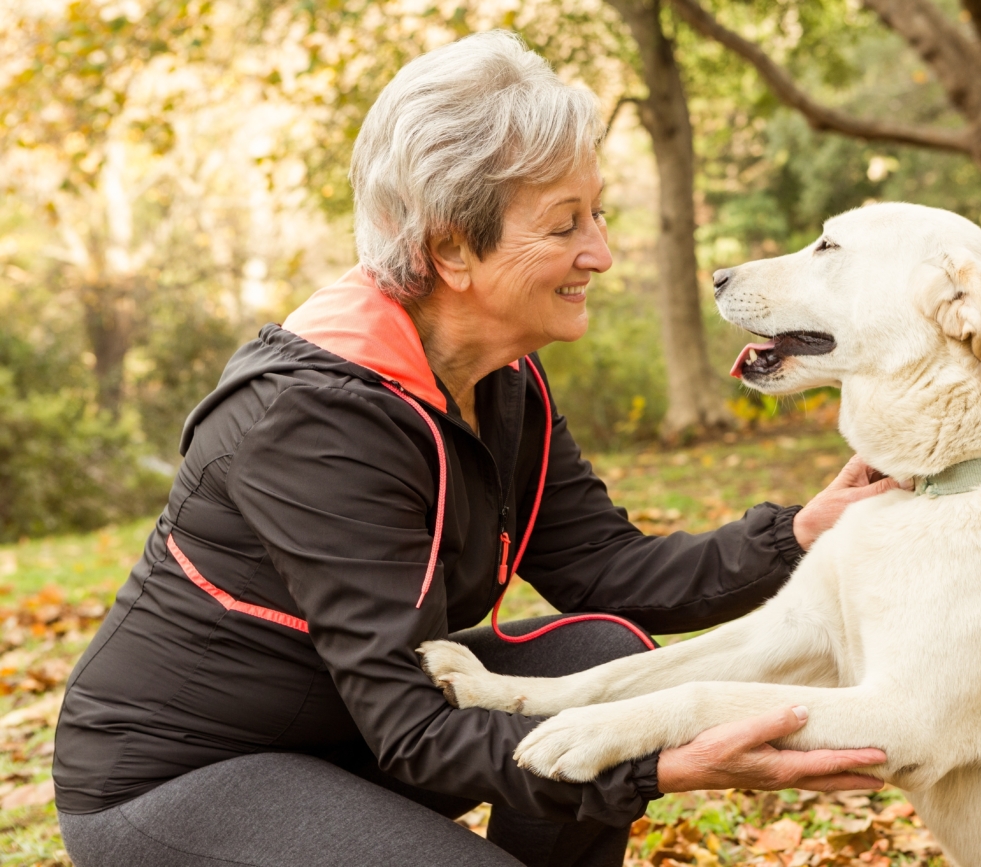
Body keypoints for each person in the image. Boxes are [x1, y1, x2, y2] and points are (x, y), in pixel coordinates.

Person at [52, 31, 893, 867]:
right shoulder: (311, 421)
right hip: (182, 780)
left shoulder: (500, 376)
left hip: (359, 738)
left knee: (600, 653)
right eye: (566, 225)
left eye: (597, 214)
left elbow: (604, 572)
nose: (598, 253)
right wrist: (655, 763)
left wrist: (803, 533)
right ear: (451, 246)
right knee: (596, 737)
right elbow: (414, 729)